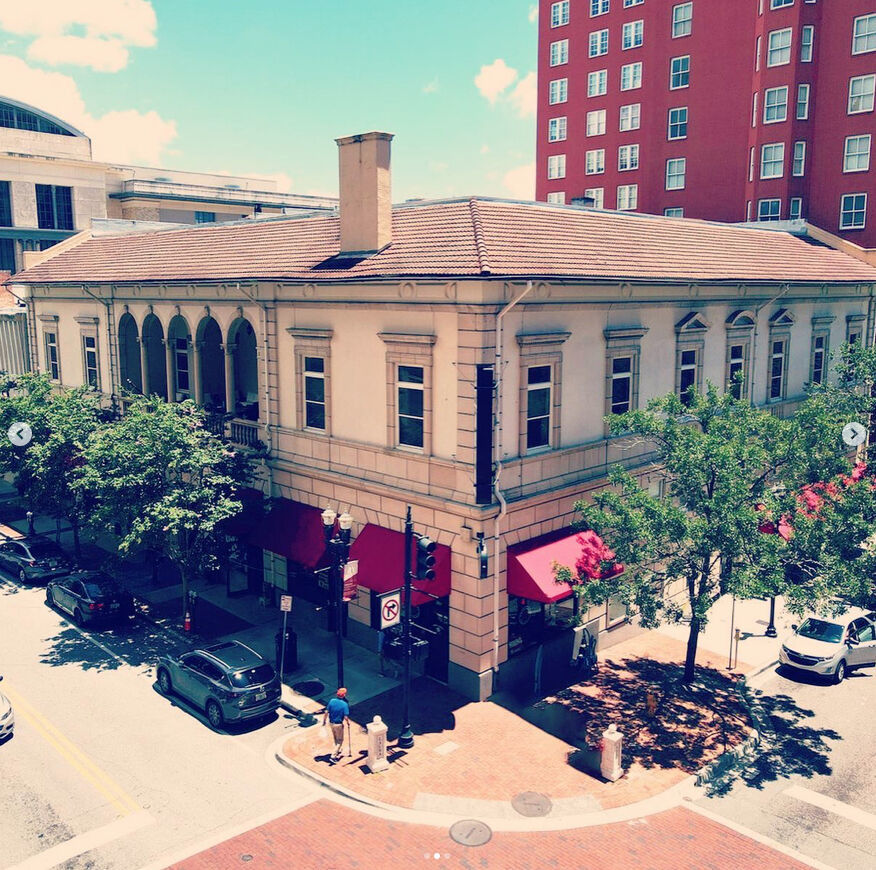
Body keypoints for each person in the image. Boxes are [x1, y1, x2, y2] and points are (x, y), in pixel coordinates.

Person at [323, 687, 350, 761]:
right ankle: (333, 756)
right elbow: (345, 716)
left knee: (335, 738)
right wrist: (348, 723)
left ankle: (337, 750)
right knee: (340, 740)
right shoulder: (344, 704)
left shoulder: (332, 701)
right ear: (344, 695)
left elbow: (326, 712)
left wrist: (324, 721)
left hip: (331, 723)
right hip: (338, 724)